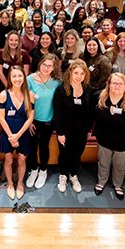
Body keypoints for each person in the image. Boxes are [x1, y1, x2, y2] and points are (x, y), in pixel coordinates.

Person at [92, 73, 125, 199]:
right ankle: (101, 182)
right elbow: (92, 114)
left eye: (120, 84)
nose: (117, 86)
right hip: (104, 139)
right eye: (114, 83)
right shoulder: (98, 98)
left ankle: (117, 185)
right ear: (108, 85)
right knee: (103, 163)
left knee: (120, 166)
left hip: (124, 142)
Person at [53, 59, 93, 193]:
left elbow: (89, 112)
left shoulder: (87, 89)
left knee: (77, 153)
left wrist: (88, 129)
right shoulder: (61, 89)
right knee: (64, 154)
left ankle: (73, 175)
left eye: (82, 73)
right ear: (70, 72)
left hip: (81, 131)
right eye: (76, 73)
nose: (79, 76)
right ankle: (63, 175)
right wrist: (60, 132)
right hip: (65, 130)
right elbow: (57, 113)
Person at [0, 66, 35, 200]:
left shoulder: (29, 95)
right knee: (8, 160)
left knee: (21, 160)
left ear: (24, 78)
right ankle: (9, 183)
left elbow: (30, 117)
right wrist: (11, 136)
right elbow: (1, 118)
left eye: (20, 76)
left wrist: (18, 136)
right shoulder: (3, 95)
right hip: (8, 132)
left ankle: (20, 183)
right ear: (10, 78)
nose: (17, 79)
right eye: (14, 76)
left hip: (22, 132)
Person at [25, 53, 61, 189]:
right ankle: (33, 170)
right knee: (32, 146)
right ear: (39, 64)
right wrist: (29, 121)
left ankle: (43, 171)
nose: (46, 68)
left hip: (48, 121)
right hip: (32, 120)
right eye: (44, 65)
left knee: (44, 146)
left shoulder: (57, 82)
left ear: (53, 68)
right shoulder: (29, 79)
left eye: (50, 66)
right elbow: (26, 101)